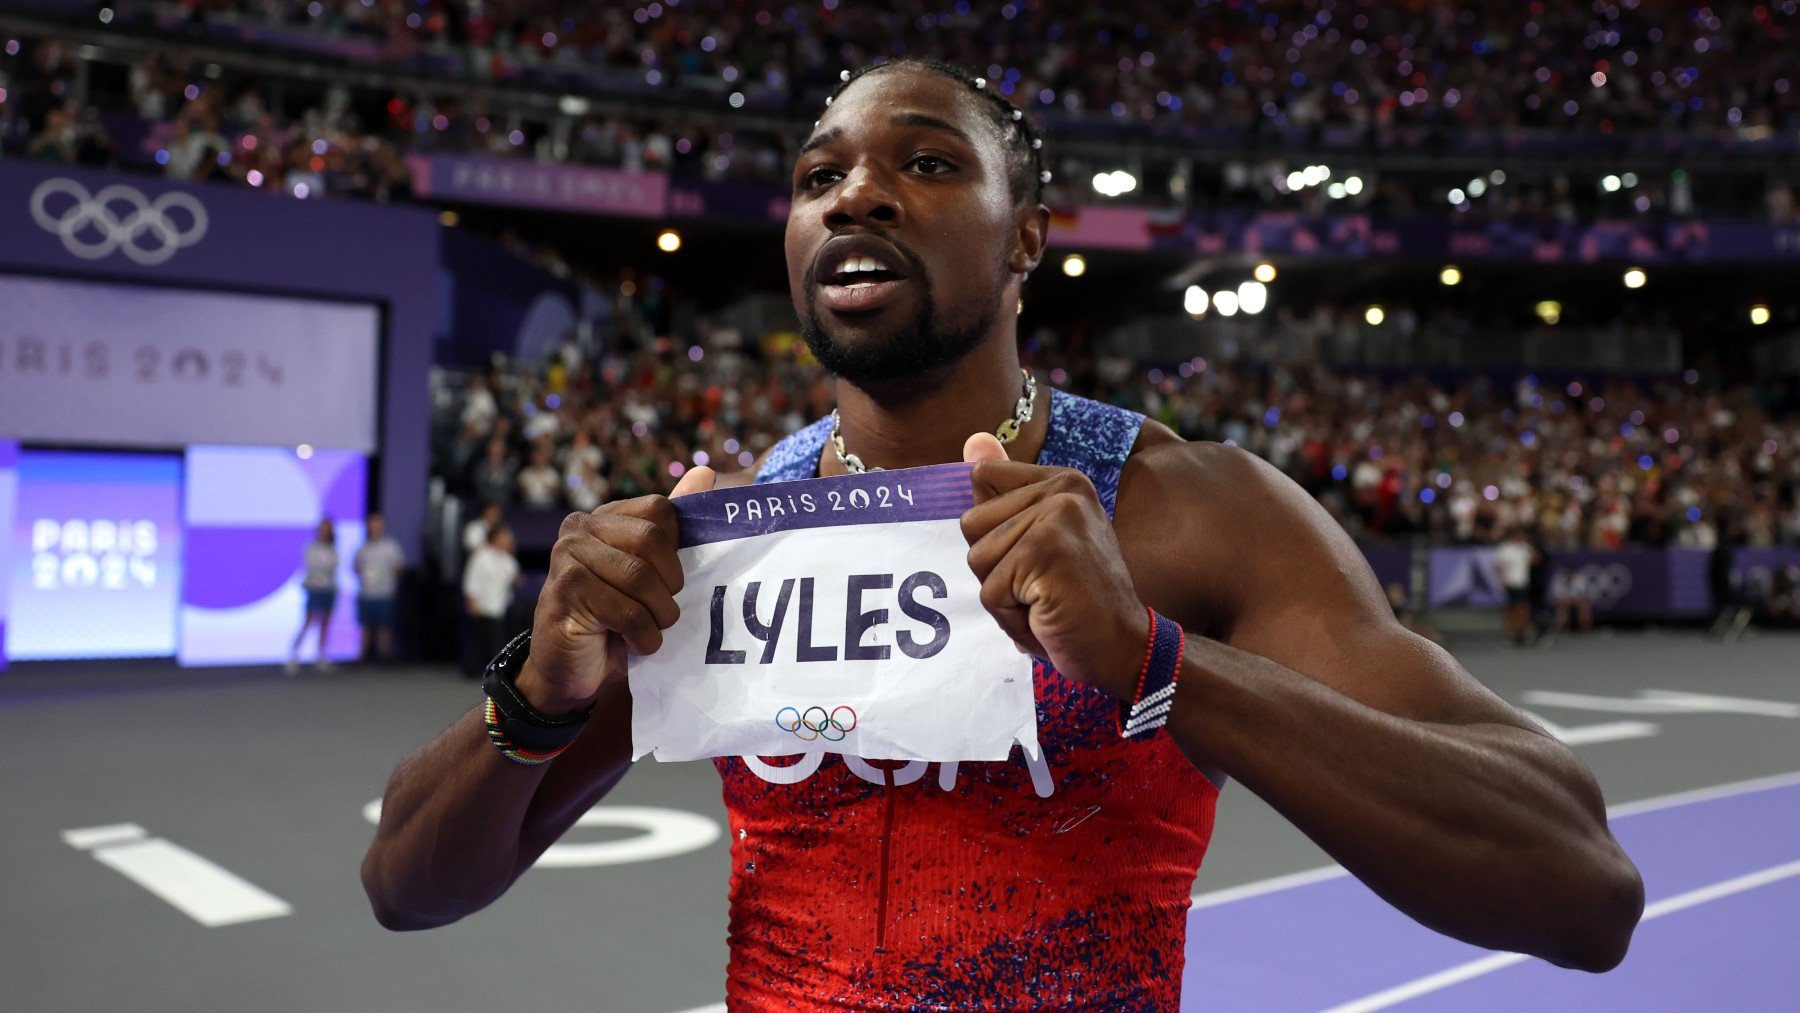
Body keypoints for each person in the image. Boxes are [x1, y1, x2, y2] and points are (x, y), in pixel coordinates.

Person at [364, 59, 1642, 1007]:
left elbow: (1584, 886)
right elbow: (406, 887)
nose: (857, 192)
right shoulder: (731, 535)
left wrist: (1157, 664)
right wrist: (538, 694)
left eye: (925, 163)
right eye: (820, 177)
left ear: (1027, 237)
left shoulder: (1187, 508)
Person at [460, 524, 519, 679]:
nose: (509, 539)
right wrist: (472, 600)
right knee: (482, 639)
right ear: (495, 538)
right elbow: (472, 579)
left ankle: (494, 670)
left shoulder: (507, 559)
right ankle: (476, 670)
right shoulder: (481, 557)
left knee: (496, 639)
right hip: (483, 605)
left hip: (499, 606)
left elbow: (514, 579)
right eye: (505, 536)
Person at [353, 512, 406, 664]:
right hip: (366, 592)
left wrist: (390, 578)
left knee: (385, 626)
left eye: (378, 525)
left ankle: (384, 655)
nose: (375, 528)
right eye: (372, 525)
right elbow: (355, 567)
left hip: (385, 592)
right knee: (365, 626)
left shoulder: (391, 546)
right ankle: (362, 655)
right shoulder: (363, 548)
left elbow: (399, 567)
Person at [286, 518, 338, 674]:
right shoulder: (311, 548)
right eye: (323, 528)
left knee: (325, 624)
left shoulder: (333, 549)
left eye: (327, 528)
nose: (325, 531)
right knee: (308, 621)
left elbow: (333, 566)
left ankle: (321, 656)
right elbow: (311, 565)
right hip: (314, 589)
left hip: (328, 589)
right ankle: (294, 656)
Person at [1493, 526, 1536, 645]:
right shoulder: (1504, 549)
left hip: (1522, 583)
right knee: (1510, 609)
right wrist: (1502, 580)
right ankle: (1510, 633)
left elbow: (1535, 560)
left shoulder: (1524, 548)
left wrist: (1529, 548)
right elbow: (1497, 566)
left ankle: (1523, 632)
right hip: (1510, 583)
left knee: (1523, 608)